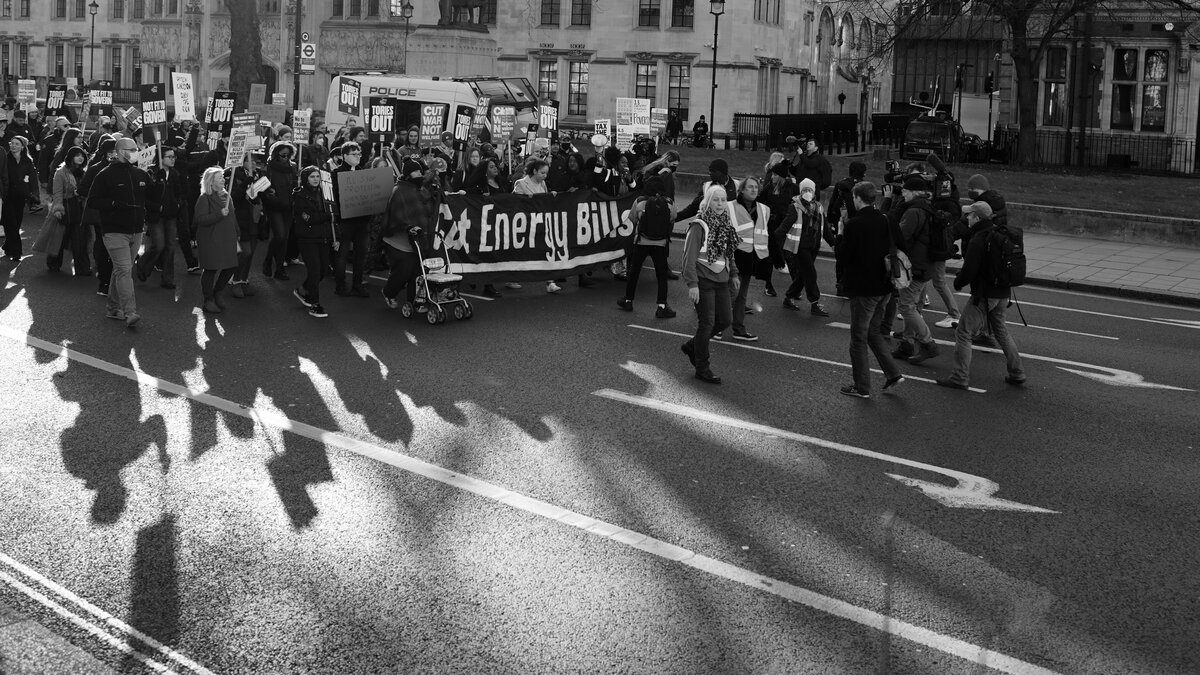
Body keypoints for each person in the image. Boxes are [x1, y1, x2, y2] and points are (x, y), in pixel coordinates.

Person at [937, 200, 1026, 390]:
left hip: (985, 295)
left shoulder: (979, 238)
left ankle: (959, 377)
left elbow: (969, 270)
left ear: (977, 218)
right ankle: (1017, 372)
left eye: (969, 215)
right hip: (1003, 293)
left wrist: (958, 282)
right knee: (1001, 331)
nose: (966, 218)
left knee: (963, 332)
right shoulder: (1000, 234)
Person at [836, 182, 905, 398]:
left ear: (857, 198)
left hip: (863, 289)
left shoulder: (855, 224)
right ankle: (893, 373)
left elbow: (843, 256)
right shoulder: (887, 219)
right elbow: (901, 243)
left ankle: (862, 386)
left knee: (858, 337)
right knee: (873, 332)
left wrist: (840, 232)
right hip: (885, 285)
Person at [89, 137, 154, 327]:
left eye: (136, 148)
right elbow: (93, 201)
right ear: (119, 152)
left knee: (121, 270)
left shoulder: (140, 173)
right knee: (125, 270)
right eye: (131, 149)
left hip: (136, 230)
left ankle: (112, 308)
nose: (136, 151)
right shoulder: (104, 175)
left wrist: (155, 179)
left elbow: (153, 196)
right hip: (114, 231)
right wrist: (113, 204)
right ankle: (130, 312)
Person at [680, 184, 739, 384]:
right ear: (707, 201)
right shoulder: (699, 225)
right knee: (707, 324)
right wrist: (692, 284)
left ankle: (692, 346)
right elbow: (689, 258)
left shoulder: (726, 223)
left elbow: (729, 253)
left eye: (723, 200)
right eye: (716, 199)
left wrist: (734, 274)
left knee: (725, 320)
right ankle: (702, 367)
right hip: (703, 282)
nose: (720, 204)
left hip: (721, 281)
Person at [891, 175, 940, 365]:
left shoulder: (913, 212)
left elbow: (901, 236)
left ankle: (928, 344)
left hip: (915, 266)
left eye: (905, 191)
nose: (902, 194)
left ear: (913, 192)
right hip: (926, 264)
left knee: (906, 306)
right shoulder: (927, 207)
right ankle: (907, 344)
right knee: (912, 305)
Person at [616, 174, 676, 319]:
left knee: (634, 272)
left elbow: (632, 219)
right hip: (661, 244)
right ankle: (662, 306)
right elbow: (673, 218)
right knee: (661, 276)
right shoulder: (669, 203)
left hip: (642, 242)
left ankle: (628, 300)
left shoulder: (640, 201)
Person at [381, 157, 436, 312]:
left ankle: (416, 301)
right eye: (415, 171)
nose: (419, 174)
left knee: (419, 272)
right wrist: (407, 227)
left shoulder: (421, 189)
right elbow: (396, 217)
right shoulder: (399, 191)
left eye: (420, 171)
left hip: (418, 239)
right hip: (400, 240)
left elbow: (429, 207)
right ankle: (389, 292)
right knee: (404, 271)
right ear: (408, 174)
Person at [724, 176, 771, 341]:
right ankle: (716, 326)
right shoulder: (730, 207)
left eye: (756, 188)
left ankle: (738, 329)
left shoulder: (764, 209)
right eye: (750, 187)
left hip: (750, 257)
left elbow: (765, 234)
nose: (753, 190)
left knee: (741, 296)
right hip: (732, 256)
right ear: (742, 190)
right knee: (730, 294)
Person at [777, 178, 830, 317]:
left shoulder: (818, 207)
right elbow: (785, 225)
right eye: (805, 190)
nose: (807, 192)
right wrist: (773, 241)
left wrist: (834, 243)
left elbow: (826, 228)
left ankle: (789, 297)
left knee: (802, 275)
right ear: (800, 192)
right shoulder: (795, 206)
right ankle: (815, 303)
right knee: (811, 273)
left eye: (810, 190)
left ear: (814, 192)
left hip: (813, 246)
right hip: (800, 247)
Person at [136, 145, 187, 289]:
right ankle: (143, 265)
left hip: (171, 215)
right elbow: (145, 195)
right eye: (169, 157)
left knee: (170, 247)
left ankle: (168, 279)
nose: (172, 159)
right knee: (159, 245)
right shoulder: (151, 172)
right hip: (156, 215)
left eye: (173, 157)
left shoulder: (175, 173)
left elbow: (180, 192)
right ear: (161, 157)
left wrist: (177, 204)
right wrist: (156, 205)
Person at [192, 166, 240, 313]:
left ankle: (218, 291)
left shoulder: (227, 195)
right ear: (211, 181)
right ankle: (208, 300)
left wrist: (237, 232)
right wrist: (220, 214)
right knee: (211, 269)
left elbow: (232, 216)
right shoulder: (204, 198)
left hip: (227, 236)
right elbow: (200, 219)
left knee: (231, 265)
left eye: (223, 177)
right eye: (220, 178)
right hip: (210, 237)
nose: (223, 180)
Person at [291, 166, 334, 318]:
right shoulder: (300, 197)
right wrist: (326, 216)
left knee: (323, 271)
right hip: (307, 239)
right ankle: (314, 304)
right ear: (305, 179)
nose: (315, 179)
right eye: (312, 177)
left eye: (317, 176)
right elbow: (308, 218)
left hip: (323, 237)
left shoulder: (325, 194)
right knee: (315, 271)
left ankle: (303, 289)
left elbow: (333, 212)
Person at [332, 141, 371, 297]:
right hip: (345, 221)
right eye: (354, 154)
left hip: (362, 220)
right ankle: (340, 285)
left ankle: (357, 284)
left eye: (359, 154)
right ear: (344, 156)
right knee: (342, 255)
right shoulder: (336, 174)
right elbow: (334, 198)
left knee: (360, 255)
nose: (358, 157)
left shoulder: (364, 173)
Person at [44, 146, 89, 274]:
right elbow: (57, 193)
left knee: (80, 240)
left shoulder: (84, 172)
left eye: (82, 155)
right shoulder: (61, 172)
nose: (80, 158)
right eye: (77, 155)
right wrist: (58, 209)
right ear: (70, 157)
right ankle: (53, 264)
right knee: (60, 239)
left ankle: (83, 268)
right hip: (65, 208)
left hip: (80, 209)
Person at [228, 151, 264, 298]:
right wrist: (246, 183)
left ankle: (243, 280)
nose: (254, 163)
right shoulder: (234, 175)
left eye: (255, 161)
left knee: (251, 253)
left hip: (255, 217)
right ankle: (235, 280)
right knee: (245, 252)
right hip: (242, 218)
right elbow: (234, 198)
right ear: (242, 162)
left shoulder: (259, 175)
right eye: (250, 161)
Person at [759, 158, 796, 298]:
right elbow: (759, 202)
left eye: (775, 175)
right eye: (772, 174)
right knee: (770, 257)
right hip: (772, 227)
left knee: (789, 257)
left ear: (781, 176)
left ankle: (795, 288)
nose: (772, 176)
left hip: (787, 227)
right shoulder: (769, 187)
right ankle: (768, 285)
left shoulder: (791, 188)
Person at [260, 141, 297, 280]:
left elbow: (295, 184)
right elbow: (261, 187)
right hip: (274, 206)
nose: (285, 157)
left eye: (288, 155)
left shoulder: (293, 167)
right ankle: (268, 261)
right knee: (280, 235)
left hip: (288, 206)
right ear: (276, 154)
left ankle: (280, 268)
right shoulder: (268, 168)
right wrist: (270, 195)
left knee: (284, 239)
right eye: (282, 155)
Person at [2, 135, 40, 262]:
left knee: (16, 224)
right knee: (10, 223)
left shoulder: (27, 161)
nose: (13, 145)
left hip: (21, 197)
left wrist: (34, 194)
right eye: (12, 143)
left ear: (22, 147)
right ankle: (17, 252)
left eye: (16, 144)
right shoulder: (5, 159)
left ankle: (8, 246)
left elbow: (33, 178)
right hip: (7, 195)